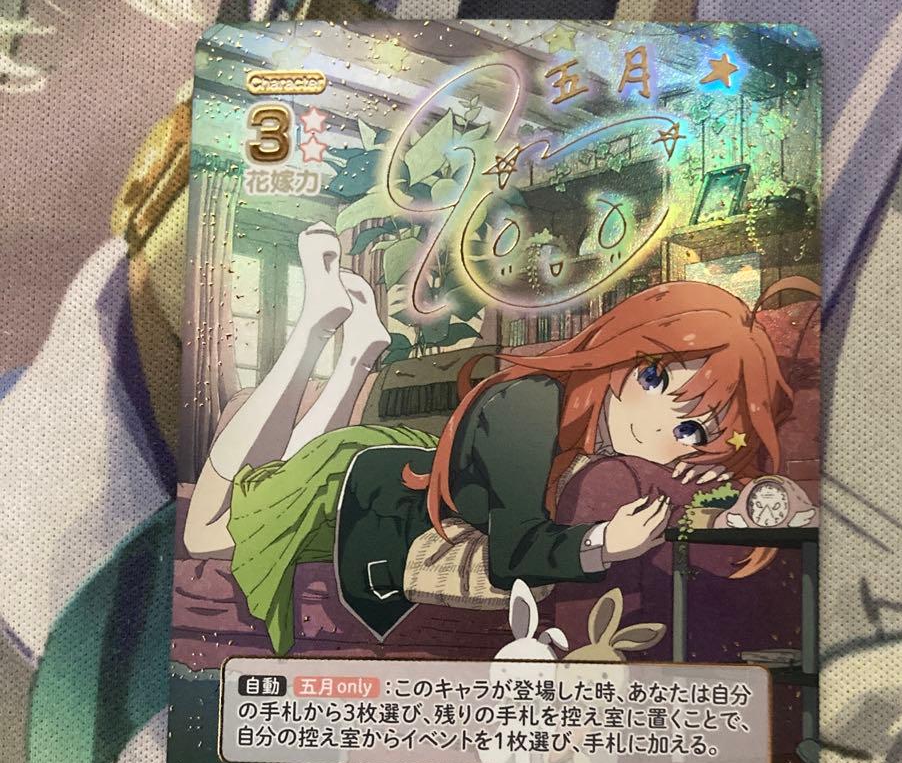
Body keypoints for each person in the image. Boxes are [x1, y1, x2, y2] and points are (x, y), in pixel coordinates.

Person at [184, 221, 819, 652]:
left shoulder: (602, 436)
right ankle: (314, 332)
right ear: (622, 351)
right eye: (654, 376)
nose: (660, 424)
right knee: (204, 530)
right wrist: (605, 541)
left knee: (255, 489)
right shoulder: (530, 401)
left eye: (689, 428)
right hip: (367, 497)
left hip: (399, 469)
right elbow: (512, 552)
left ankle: (354, 353)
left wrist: (711, 475)